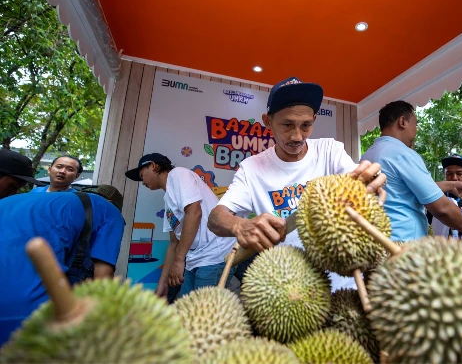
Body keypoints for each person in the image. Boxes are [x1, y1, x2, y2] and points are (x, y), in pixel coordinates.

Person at [207, 76, 386, 290]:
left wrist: (369, 181)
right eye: (287, 125)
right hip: (288, 288)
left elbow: (358, 181)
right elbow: (215, 218)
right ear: (268, 121)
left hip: (345, 282)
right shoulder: (252, 168)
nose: (297, 136)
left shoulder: (330, 151)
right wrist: (239, 225)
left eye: (306, 125)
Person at [0, 187, 125, 345]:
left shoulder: (38, 201)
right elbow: (102, 277)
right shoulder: (110, 211)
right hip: (25, 309)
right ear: (112, 203)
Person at [360, 100, 462, 243]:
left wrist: (451, 185)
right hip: (404, 243)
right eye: (415, 124)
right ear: (402, 122)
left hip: (377, 241)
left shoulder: (368, 155)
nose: (416, 131)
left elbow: (402, 191)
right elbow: (441, 208)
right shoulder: (402, 153)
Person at [125, 153, 237, 298]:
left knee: (200, 315)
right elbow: (173, 243)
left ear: (153, 166)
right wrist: (162, 283)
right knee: (184, 309)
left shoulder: (178, 174)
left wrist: (179, 261)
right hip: (195, 259)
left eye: (142, 175)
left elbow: (194, 212)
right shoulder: (168, 201)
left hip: (215, 254)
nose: (142, 182)